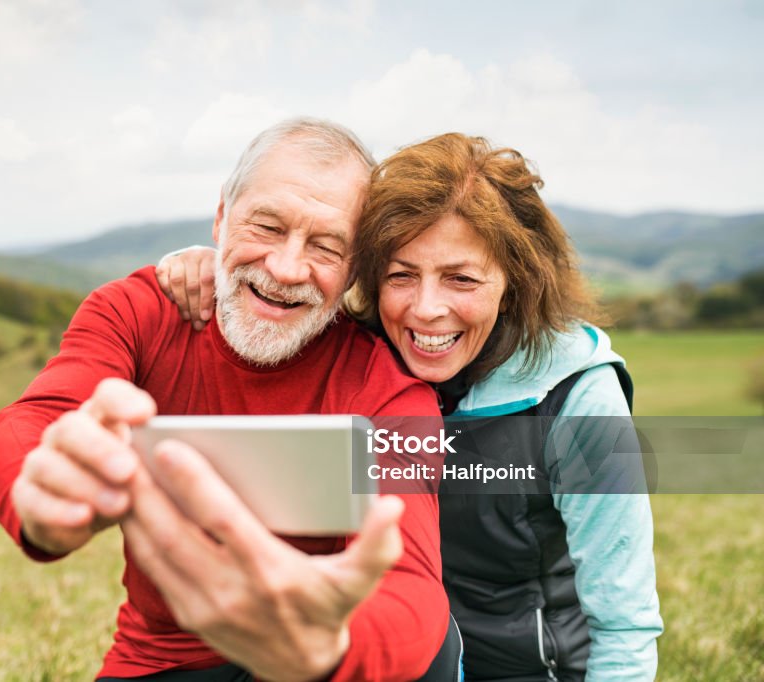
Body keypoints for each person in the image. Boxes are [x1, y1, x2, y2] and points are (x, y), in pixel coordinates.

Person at [159, 133, 663, 681]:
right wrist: (209, 267)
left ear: (513, 284)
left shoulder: (580, 399)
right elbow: (284, 282)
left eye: (461, 279)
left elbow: (624, 627)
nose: (426, 310)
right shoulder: (362, 361)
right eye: (401, 275)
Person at [0, 118, 450, 681]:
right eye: (267, 227)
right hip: (164, 659)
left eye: (326, 246)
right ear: (222, 215)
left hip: (314, 652)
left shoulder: (385, 387)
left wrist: (332, 644)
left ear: (353, 269)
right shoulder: (137, 312)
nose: (286, 268)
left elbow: (411, 588)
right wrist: (41, 487)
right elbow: (35, 420)